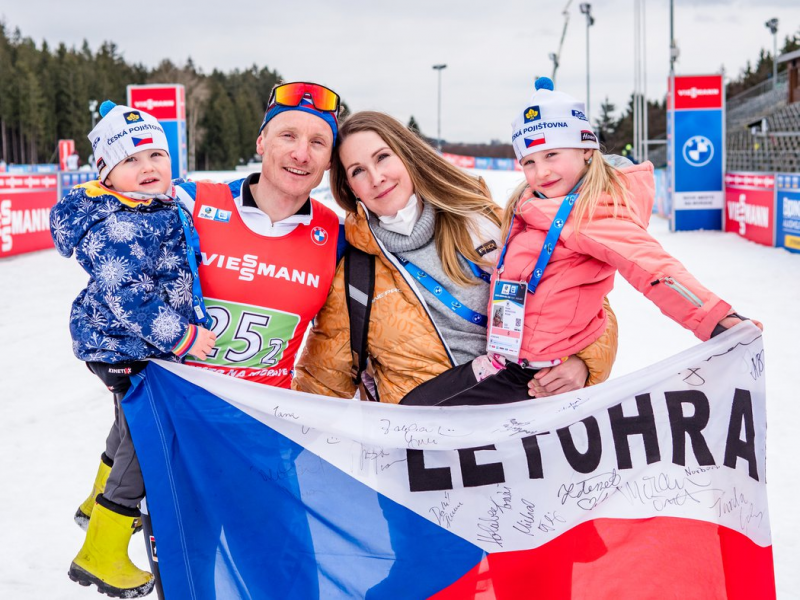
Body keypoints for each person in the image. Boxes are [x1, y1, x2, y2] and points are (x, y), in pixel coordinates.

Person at [401, 77, 762, 407]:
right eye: (529, 161)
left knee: (417, 416)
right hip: (506, 359)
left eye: (552, 155)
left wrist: (716, 319)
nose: (541, 172)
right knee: (413, 410)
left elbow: (652, 268)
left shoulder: (596, 211)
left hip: (538, 376)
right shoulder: (530, 205)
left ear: (587, 150)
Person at [293, 111, 619, 405]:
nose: (376, 177)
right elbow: (321, 387)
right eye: (358, 171)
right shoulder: (354, 275)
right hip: (432, 457)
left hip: (526, 431)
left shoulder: (488, 222)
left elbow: (583, 300)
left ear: (407, 156)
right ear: (349, 188)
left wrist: (584, 363)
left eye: (383, 158)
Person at [50, 100, 216, 597]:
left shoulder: (146, 207)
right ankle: (103, 549)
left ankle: (94, 503)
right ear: (105, 172)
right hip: (126, 343)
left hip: (121, 343)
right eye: (130, 160)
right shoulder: (121, 223)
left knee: (127, 424)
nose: (147, 169)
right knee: (147, 438)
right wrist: (183, 336)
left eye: (156, 158)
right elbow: (130, 296)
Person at [174, 81, 342, 388]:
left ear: (330, 160)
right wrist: (107, 357)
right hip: (169, 419)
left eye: (318, 142)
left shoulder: (337, 235)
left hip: (263, 426)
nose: (301, 154)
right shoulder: (189, 203)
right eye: (288, 136)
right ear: (261, 142)